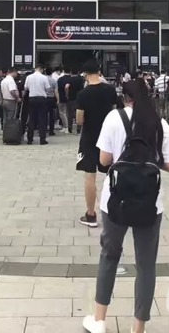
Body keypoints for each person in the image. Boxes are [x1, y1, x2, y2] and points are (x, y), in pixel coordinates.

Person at [82, 79, 169, 333]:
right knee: (146, 264)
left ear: (125, 98)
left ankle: (99, 320)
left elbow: (104, 159)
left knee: (109, 255)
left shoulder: (114, 118)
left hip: (116, 199)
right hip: (150, 202)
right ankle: (138, 327)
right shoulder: (160, 123)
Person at [76, 60, 117, 228]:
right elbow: (114, 111)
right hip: (108, 136)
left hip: (89, 137)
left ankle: (91, 214)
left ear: (85, 74)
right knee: (112, 173)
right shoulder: (110, 90)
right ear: (99, 71)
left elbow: (79, 120)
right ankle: (114, 212)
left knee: (89, 175)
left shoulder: (83, 94)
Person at [24, 64, 50, 145]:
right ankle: (42, 139)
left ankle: (30, 139)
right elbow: (48, 88)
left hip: (32, 98)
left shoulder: (29, 77)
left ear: (35, 69)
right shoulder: (44, 77)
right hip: (42, 99)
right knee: (42, 119)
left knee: (31, 119)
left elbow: (26, 88)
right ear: (42, 69)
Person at [66, 68, 84, 134]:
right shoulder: (80, 79)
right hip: (79, 98)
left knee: (70, 114)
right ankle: (78, 129)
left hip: (71, 98)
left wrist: (67, 94)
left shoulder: (69, 79)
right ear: (78, 72)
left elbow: (66, 87)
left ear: (71, 72)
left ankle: (70, 128)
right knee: (79, 113)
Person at [57, 66, 71, 134]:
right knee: (69, 112)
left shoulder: (60, 79)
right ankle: (68, 127)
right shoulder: (72, 79)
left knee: (62, 113)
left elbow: (57, 89)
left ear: (63, 71)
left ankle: (66, 127)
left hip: (62, 97)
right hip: (72, 98)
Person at [45, 67, 58, 136]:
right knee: (51, 115)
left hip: (44, 98)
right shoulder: (54, 81)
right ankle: (51, 131)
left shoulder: (43, 79)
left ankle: (43, 129)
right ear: (52, 73)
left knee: (43, 114)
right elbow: (56, 91)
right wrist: (58, 99)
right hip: (51, 98)